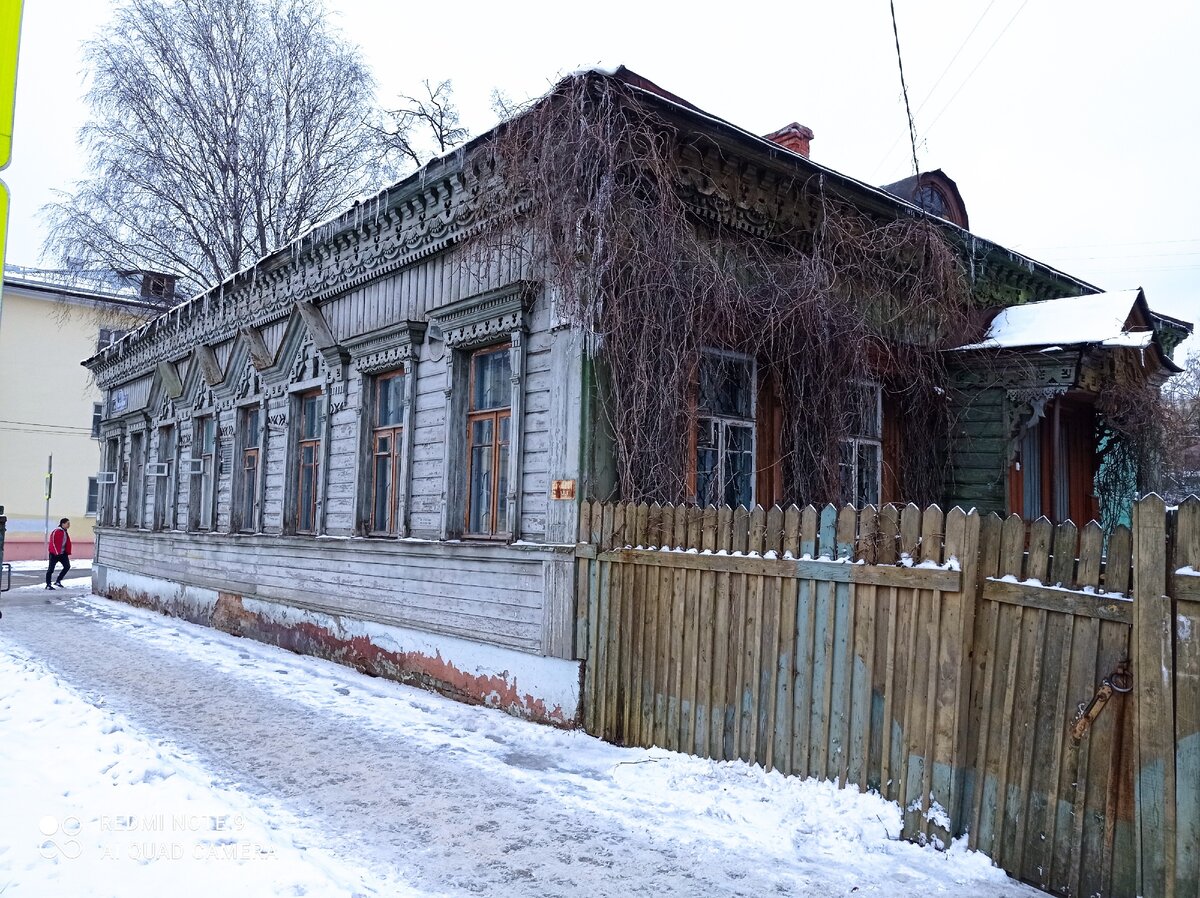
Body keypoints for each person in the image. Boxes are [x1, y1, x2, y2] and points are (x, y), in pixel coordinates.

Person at [46, 518, 72, 590]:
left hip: (63, 554)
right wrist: (56, 552)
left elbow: (66, 543)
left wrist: (67, 551)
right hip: (54, 554)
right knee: (51, 569)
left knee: (67, 566)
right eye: (68, 523)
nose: (69, 525)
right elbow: (53, 542)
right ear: (63, 524)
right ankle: (48, 584)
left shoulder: (64, 532)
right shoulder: (57, 531)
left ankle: (58, 581)